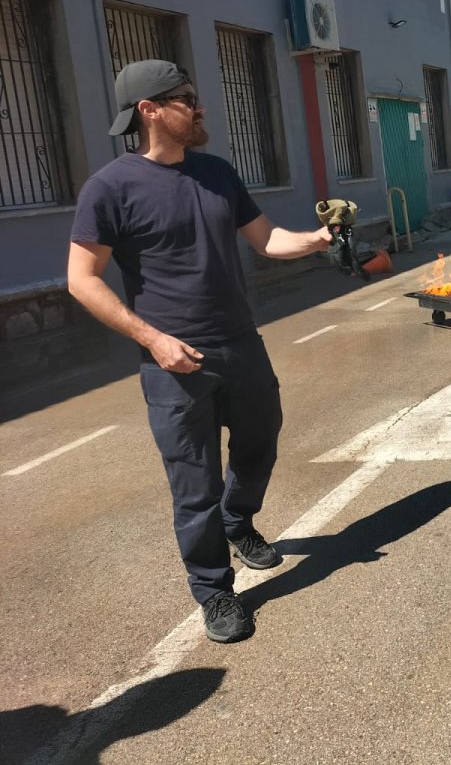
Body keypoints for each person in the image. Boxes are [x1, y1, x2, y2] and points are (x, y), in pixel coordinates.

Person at [67, 60, 336, 642]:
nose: (199, 107)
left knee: (260, 446)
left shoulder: (217, 173)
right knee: (194, 486)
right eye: (186, 98)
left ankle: (238, 521)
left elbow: (266, 239)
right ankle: (214, 590)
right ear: (149, 110)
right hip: (173, 363)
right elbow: (81, 279)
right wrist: (152, 339)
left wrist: (315, 240)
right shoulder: (109, 188)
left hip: (240, 345)